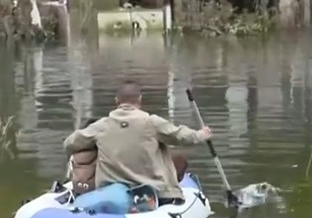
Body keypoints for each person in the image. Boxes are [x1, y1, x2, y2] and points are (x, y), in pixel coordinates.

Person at [63, 81, 212, 205]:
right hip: (152, 193)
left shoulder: (101, 126)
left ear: (116, 101)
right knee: (178, 159)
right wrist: (201, 134)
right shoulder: (151, 122)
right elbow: (182, 136)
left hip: (110, 190)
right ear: (140, 99)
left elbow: (69, 143)